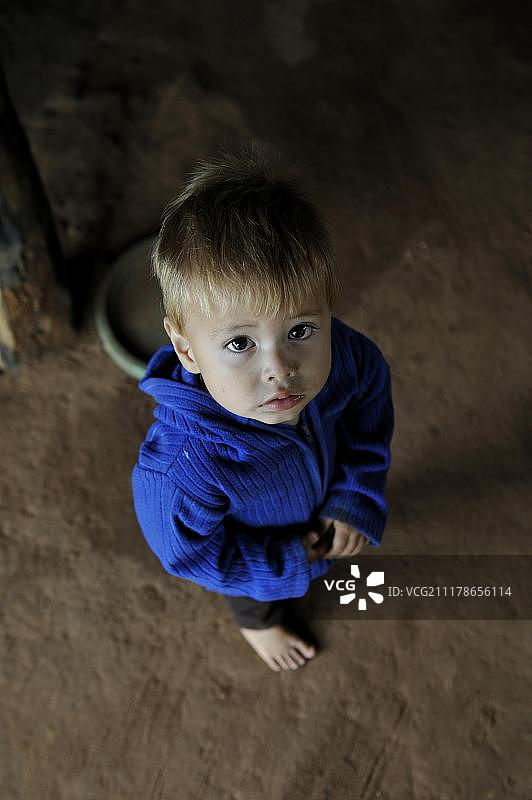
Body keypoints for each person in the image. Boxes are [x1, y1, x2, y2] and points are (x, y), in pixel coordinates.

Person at [131, 143, 394, 672]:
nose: (280, 369)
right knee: (254, 593)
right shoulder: (183, 468)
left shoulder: (349, 361)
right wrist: (292, 557)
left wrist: (352, 496)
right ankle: (260, 624)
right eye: (239, 344)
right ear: (187, 349)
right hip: (254, 554)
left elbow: (368, 427)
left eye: (300, 330)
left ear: (327, 308)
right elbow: (193, 554)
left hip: (322, 501)